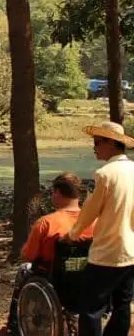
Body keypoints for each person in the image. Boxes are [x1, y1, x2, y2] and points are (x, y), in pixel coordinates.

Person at [67, 121, 134, 336]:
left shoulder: (105, 174)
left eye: (97, 142)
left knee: (91, 308)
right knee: (122, 305)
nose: (94, 147)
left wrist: (73, 233)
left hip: (107, 252)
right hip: (131, 251)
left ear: (111, 144)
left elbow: (89, 211)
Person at [6, 172, 95, 333]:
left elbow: (28, 255)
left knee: (23, 269)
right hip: (88, 277)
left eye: (53, 193)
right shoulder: (95, 222)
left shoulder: (46, 223)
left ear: (58, 193)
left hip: (54, 279)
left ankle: (14, 326)